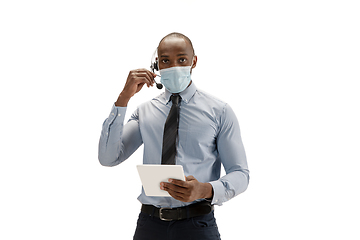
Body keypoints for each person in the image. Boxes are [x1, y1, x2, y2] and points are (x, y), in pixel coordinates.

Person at [98, 32, 249, 240]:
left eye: (182, 59)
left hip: (197, 224)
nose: (174, 66)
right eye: (165, 61)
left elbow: (241, 174)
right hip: (149, 225)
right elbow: (108, 158)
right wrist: (124, 97)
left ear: (193, 62)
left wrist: (204, 190)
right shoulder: (144, 112)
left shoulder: (220, 111)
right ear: (156, 66)